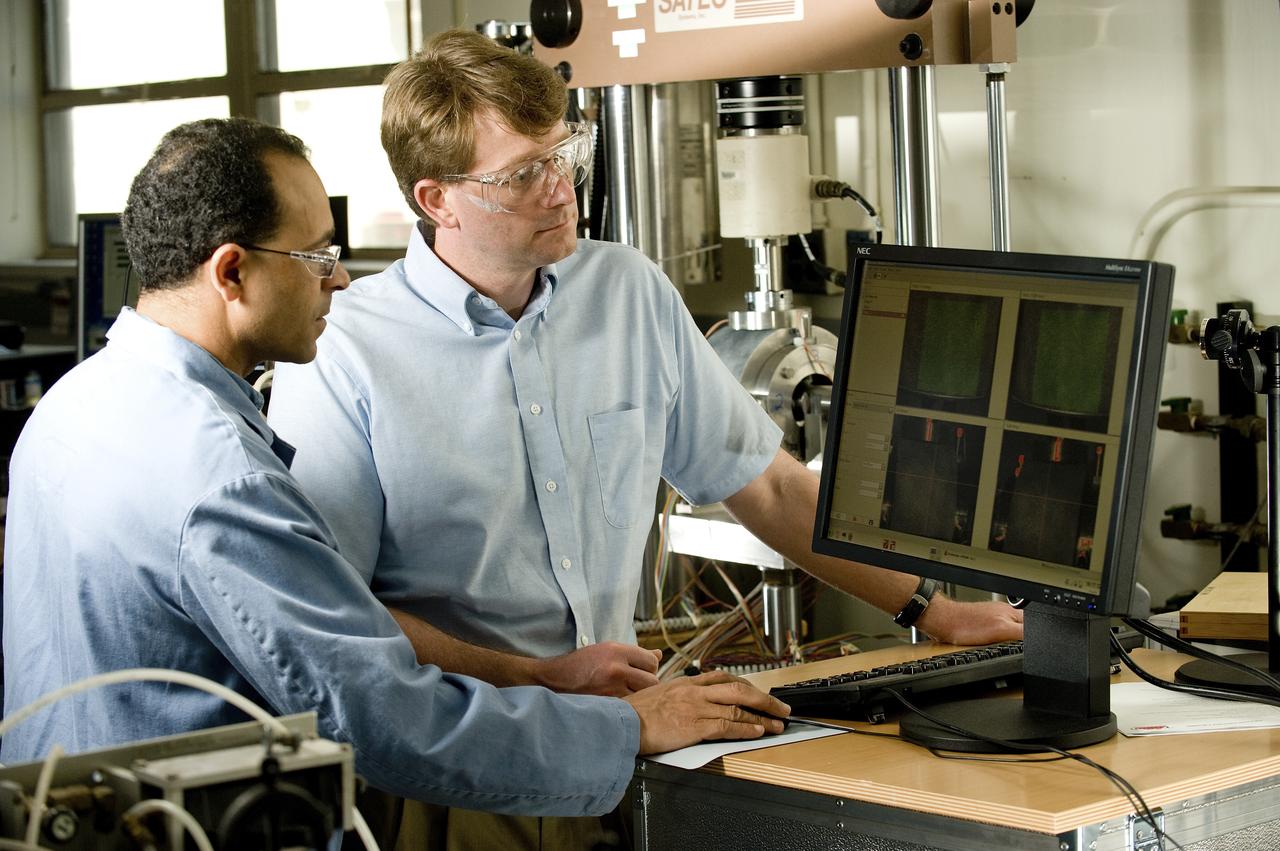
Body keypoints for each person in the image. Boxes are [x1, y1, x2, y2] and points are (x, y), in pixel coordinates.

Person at [267, 29, 1023, 849]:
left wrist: (935, 608)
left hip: (628, 745)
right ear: (436, 198)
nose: (561, 190)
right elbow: (336, 615)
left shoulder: (624, 290)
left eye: (564, 155)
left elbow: (766, 485)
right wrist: (537, 679)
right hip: (460, 769)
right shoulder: (343, 350)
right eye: (522, 174)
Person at [0, 118, 791, 831]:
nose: (338, 280)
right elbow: (380, 718)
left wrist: (533, 673)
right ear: (231, 272)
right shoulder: (217, 476)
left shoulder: (77, 406)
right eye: (316, 256)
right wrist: (634, 727)